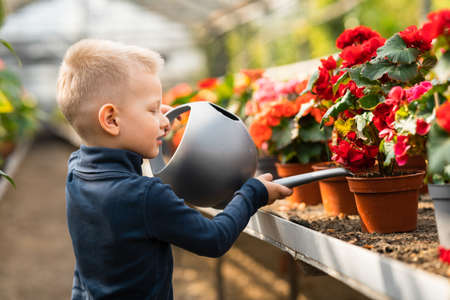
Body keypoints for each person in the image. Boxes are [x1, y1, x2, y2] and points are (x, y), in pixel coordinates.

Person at [56, 39, 292, 300]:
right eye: (153, 109)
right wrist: (253, 193)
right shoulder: (145, 196)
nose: (164, 122)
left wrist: (148, 119)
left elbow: (85, 262)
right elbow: (213, 239)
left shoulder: (76, 171)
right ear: (111, 120)